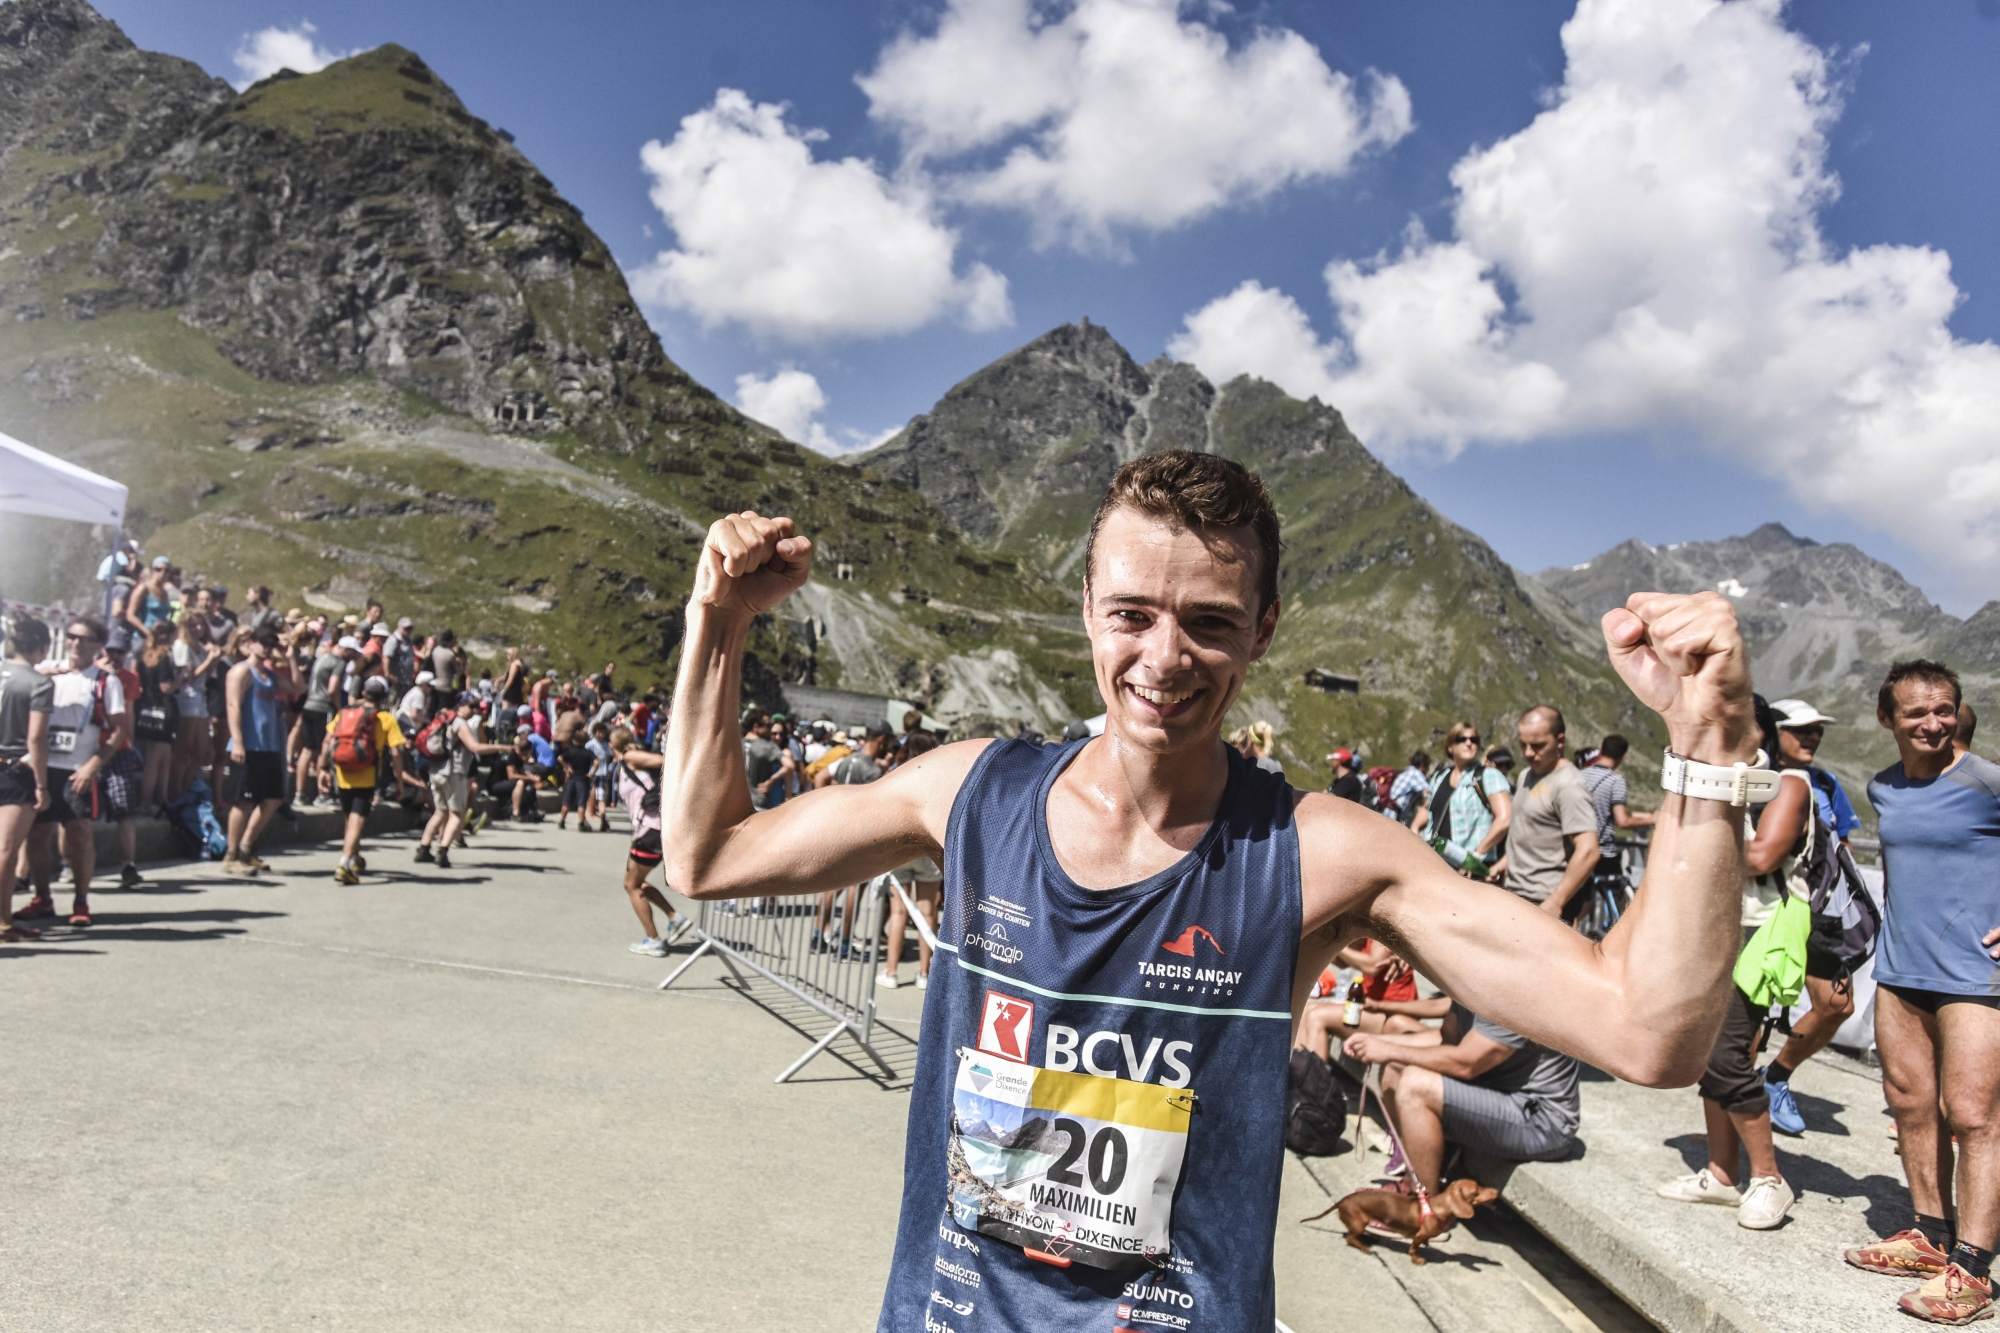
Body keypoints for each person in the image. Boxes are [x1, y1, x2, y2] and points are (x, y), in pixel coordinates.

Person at [660, 449, 1765, 1332]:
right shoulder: (967, 793)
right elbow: (707, 857)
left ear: (1263, 631)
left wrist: (1706, 744)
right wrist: (716, 626)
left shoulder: (1319, 852)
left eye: (1210, 622)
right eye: (1133, 612)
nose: (1164, 656)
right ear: (1088, 605)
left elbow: (1644, 1032)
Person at [1841, 661, 2000, 1324]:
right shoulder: (1885, 787)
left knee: (1973, 1114)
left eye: (1943, 709)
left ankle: (1973, 1270)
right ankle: (1929, 1236)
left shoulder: (1987, 781)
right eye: (1916, 713)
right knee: (1909, 1103)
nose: (1932, 722)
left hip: (1973, 974)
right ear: (1889, 719)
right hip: (1900, 969)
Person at [1653, 695, 1809, 1232]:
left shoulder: (1789, 785)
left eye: (1744, 730)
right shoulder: (1710, 785)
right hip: (1709, 928)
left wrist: (1697, 840)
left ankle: (1769, 1178)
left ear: (1763, 734)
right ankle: (1722, 1175)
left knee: (1727, 1055)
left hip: (1755, 933)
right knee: (1708, 1054)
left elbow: (1764, 856)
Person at [1344, 997, 1581, 1198]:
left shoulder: (1514, 992)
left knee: (1417, 1085)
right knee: (1396, 1066)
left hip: (1542, 1122)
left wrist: (1389, 1049)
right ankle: (1416, 1177)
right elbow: (1449, 1039)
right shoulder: (1470, 980)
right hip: (1497, 1095)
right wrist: (1381, 1044)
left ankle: (1425, 1209)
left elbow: (1466, 1064)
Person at [1757, 699, 1856, 1137]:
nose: (1813, 737)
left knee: (1836, 1005)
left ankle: (1775, 1077)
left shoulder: (1827, 783)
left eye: (1817, 730)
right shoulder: (1759, 780)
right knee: (1751, 1017)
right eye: (1802, 730)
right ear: (1774, 732)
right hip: (1766, 912)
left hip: (1817, 915)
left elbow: (1843, 848)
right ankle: (1736, 1110)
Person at [20, 614, 127, 928]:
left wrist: (93, 765)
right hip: (39, 765)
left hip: (76, 768)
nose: (75, 644)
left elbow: (120, 730)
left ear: (98, 645)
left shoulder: (106, 680)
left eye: (84, 639)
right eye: (71, 636)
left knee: (78, 834)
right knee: (37, 834)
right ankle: (42, 896)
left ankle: (81, 900)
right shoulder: (44, 670)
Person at [1490, 708, 1598, 919]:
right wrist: (1505, 862)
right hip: (1516, 894)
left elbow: (1589, 850)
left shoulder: (1569, 785)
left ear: (1560, 741)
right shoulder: (1525, 776)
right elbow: (1527, 829)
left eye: (1538, 745)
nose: (1529, 753)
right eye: (1523, 745)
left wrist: (1557, 901)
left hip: (1545, 900)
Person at [318, 676, 414, 885]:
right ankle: (344, 864)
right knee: (357, 818)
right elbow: (396, 752)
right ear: (385, 697)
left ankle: (354, 856)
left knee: (350, 819)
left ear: (363, 693)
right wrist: (399, 780)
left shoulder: (345, 713)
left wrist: (323, 769)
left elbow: (328, 741)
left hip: (342, 773)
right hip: (367, 774)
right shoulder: (385, 719)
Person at [220, 627, 300, 875]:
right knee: (242, 801)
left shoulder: (270, 675)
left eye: (270, 643)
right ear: (251, 643)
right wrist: (238, 740)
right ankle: (231, 855)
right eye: (263, 642)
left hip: (268, 745)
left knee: (273, 798)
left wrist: (290, 657)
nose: (267, 647)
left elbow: (298, 688)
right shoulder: (241, 671)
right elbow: (233, 705)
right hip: (248, 745)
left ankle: (247, 847)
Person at [607, 725, 687, 956]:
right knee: (637, 883)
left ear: (612, 745)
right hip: (650, 831)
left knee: (631, 885)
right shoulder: (623, 764)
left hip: (652, 830)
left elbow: (664, 760)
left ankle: (654, 940)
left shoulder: (629, 757)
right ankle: (675, 918)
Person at [1, 614, 54, 941]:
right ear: (44, 647)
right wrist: (42, 784)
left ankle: (5, 918)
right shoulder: (39, 684)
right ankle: (2, 920)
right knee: (7, 850)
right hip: (14, 768)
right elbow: (36, 739)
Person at [877, 729, 943, 990]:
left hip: (901, 850)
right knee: (927, 912)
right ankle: (924, 973)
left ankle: (891, 972)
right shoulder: (939, 777)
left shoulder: (898, 772)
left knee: (898, 912)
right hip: (926, 851)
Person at [415, 696, 507, 869]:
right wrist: (501, 747)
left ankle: (423, 848)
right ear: (461, 705)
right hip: (454, 772)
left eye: (476, 708)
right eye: (471, 707)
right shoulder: (459, 723)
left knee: (440, 812)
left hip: (436, 771)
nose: (474, 711)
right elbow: (475, 747)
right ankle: (442, 850)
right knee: (457, 814)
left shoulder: (443, 720)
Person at [1415, 723, 1514, 878]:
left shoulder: (1488, 776)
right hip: (1436, 863)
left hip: (1470, 870)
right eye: (1462, 739)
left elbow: (1505, 818)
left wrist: (1475, 855)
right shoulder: (1439, 777)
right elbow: (1428, 809)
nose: (1469, 743)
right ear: (1450, 747)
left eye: (1474, 740)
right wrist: (1414, 831)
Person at [95, 626, 147, 887]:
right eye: (110, 650)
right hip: (89, 749)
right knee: (74, 813)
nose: (114, 655)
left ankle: (129, 865)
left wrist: (132, 743)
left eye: (120, 651)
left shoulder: (130, 677)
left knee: (125, 809)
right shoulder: (92, 672)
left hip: (119, 749)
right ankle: (68, 865)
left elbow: (129, 712)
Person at [1578, 734, 1654, 885]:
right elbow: (1622, 820)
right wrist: (1652, 819)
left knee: (1582, 900)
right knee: (1619, 894)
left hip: (1578, 849)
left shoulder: (1580, 775)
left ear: (1601, 749)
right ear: (1623, 757)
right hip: (1603, 853)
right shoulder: (1615, 781)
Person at [169, 609, 222, 798]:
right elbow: (188, 678)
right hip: (187, 697)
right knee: (184, 748)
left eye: (201, 624)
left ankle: (185, 788)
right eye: (192, 625)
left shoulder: (199, 645)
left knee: (202, 751)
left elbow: (205, 677)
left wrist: (213, 662)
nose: (198, 628)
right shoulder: (182, 645)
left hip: (200, 696)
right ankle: (175, 791)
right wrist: (209, 660)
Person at [132, 620, 179, 815]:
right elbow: (166, 687)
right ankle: (147, 800)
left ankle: (161, 798)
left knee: (163, 757)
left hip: (147, 708)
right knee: (156, 759)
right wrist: (181, 678)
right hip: (162, 709)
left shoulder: (143, 655)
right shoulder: (164, 657)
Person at [556, 730, 594, 831]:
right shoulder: (588, 753)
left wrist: (567, 767)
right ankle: (581, 823)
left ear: (573, 740)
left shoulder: (571, 751)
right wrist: (592, 774)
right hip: (582, 780)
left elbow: (560, 758)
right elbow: (597, 762)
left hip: (572, 779)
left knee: (567, 802)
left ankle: (562, 821)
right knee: (581, 803)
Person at [1388, 750, 1431, 826]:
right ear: (1422, 766)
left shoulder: (1405, 771)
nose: (1427, 770)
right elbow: (1427, 792)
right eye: (1427, 767)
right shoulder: (1416, 774)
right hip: (1394, 815)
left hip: (1387, 810)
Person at [429, 631, 460, 717]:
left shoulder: (436, 650)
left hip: (435, 684)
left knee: (434, 708)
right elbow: (456, 671)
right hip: (446, 686)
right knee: (444, 710)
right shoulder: (450, 654)